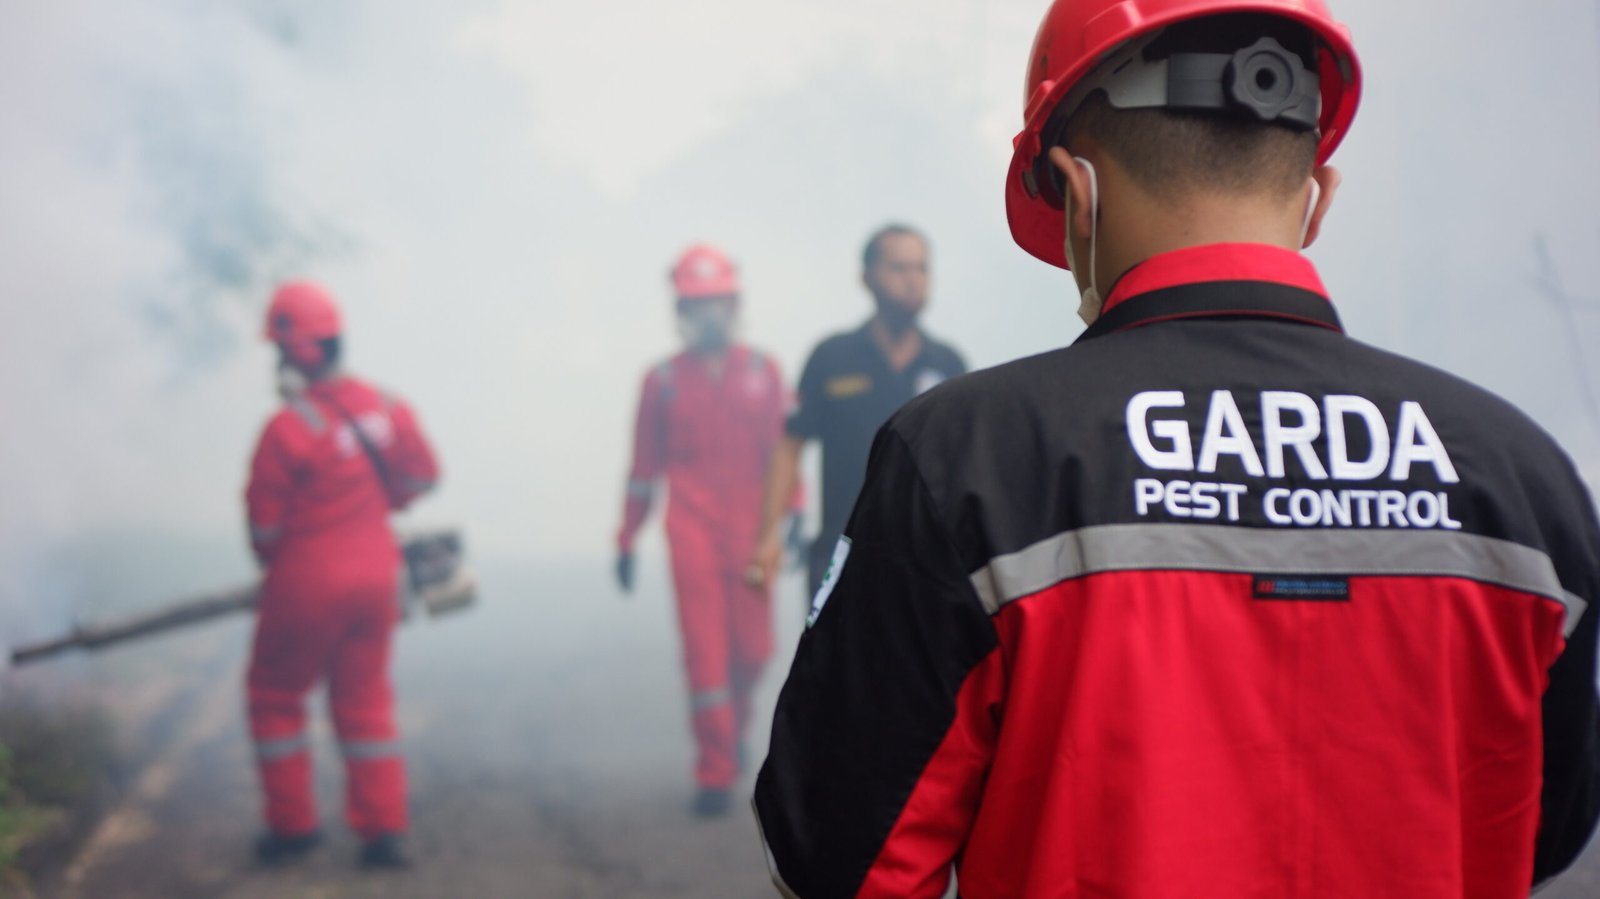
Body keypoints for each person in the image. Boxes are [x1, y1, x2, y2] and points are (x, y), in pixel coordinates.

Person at [754, 2, 1600, 896]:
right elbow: (1542, 829)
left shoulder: (968, 458)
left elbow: (838, 855)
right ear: (1318, 199)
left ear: (1078, 194)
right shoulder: (1524, 483)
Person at [245, 281, 439, 869]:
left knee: (275, 696)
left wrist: (279, 566)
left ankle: (293, 827)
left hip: (306, 584)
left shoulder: (287, 428)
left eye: (280, 351)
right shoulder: (388, 405)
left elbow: (264, 531)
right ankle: (383, 833)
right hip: (379, 579)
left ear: (297, 352)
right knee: (366, 701)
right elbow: (424, 477)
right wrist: (385, 503)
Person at [615, 245, 794, 817]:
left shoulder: (765, 372)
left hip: (753, 533)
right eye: (697, 304)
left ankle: (733, 730)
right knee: (706, 655)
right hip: (690, 532)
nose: (709, 314)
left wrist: (793, 514)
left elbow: (783, 455)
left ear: (734, 304)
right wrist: (626, 537)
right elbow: (643, 469)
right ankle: (714, 771)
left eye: (717, 302)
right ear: (681, 311)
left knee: (755, 652)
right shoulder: (662, 382)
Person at [750, 224, 965, 599]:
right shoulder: (832, 358)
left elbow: (964, 462)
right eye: (899, 268)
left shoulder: (947, 364)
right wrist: (769, 535)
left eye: (921, 268)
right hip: (840, 555)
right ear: (867, 278)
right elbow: (790, 446)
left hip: (926, 561)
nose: (912, 280)